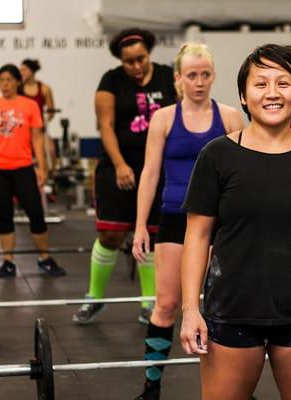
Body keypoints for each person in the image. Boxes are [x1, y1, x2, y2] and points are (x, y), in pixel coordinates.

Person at [179, 44, 291, 400]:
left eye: (284, 83)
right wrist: (190, 309)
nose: (273, 93)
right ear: (244, 97)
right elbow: (197, 237)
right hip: (232, 312)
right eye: (260, 84)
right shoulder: (217, 156)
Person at [131, 43, 244, 400]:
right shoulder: (164, 118)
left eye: (205, 74)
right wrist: (139, 227)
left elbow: (244, 175)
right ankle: (151, 385)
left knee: (217, 308)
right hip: (174, 219)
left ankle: (227, 386)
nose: (199, 82)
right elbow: (149, 174)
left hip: (219, 222)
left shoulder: (229, 118)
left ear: (213, 76)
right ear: (178, 78)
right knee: (166, 305)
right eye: (191, 75)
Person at [72, 28, 177, 324]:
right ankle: (95, 297)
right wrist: (119, 164)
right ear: (121, 60)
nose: (136, 66)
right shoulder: (111, 80)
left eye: (140, 59)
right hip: (120, 167)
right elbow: (105, 125)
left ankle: (149, 303)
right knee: (110, 234)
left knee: (153, 235)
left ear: (149, 53)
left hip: (160, 169)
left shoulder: (169, 77)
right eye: (129, 61)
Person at [0, 64, 66, 278]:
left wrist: (42, 167)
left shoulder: (30, 106)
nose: (4, 84)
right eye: (1, 80)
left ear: (17, 82)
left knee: (36, 213)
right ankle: (8, 262)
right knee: (5, 216)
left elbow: (37, 139)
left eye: (8, 80)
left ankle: (44, 257)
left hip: (23, 168)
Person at [20, 59, 58, 172]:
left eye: (24, 70)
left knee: (50, 150)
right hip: (22, 128)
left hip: (39, 128)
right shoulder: (18, 88)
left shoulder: (45, 88)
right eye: (20, 70)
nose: (22, 73)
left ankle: (50, 175)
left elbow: (50, 111)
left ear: (32, 71)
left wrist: (41, 124)